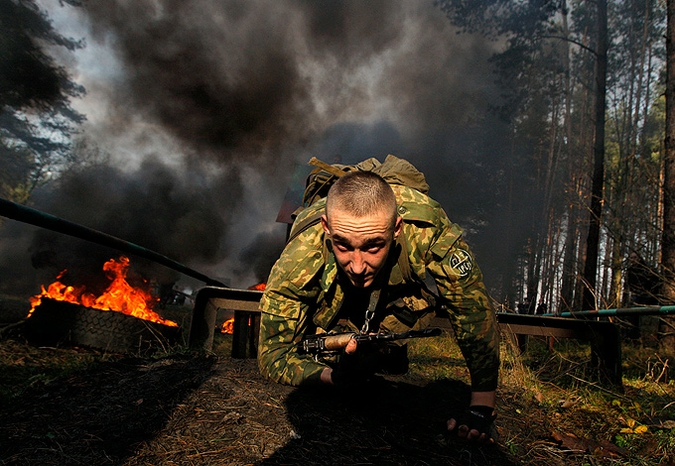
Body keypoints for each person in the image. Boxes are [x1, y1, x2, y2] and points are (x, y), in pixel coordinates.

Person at [258, 167, 500, 444]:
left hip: (392, 288)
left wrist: (482, 406)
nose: (358, 266)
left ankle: (382, 344)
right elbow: (273, 355)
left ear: (397, 228)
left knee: (390, 358)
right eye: (343, 245)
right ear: (326, 227)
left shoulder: (427, 231)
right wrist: (332, 378)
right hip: (330, 296)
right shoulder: (301, 256)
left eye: (373, 246)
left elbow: (472, 311)